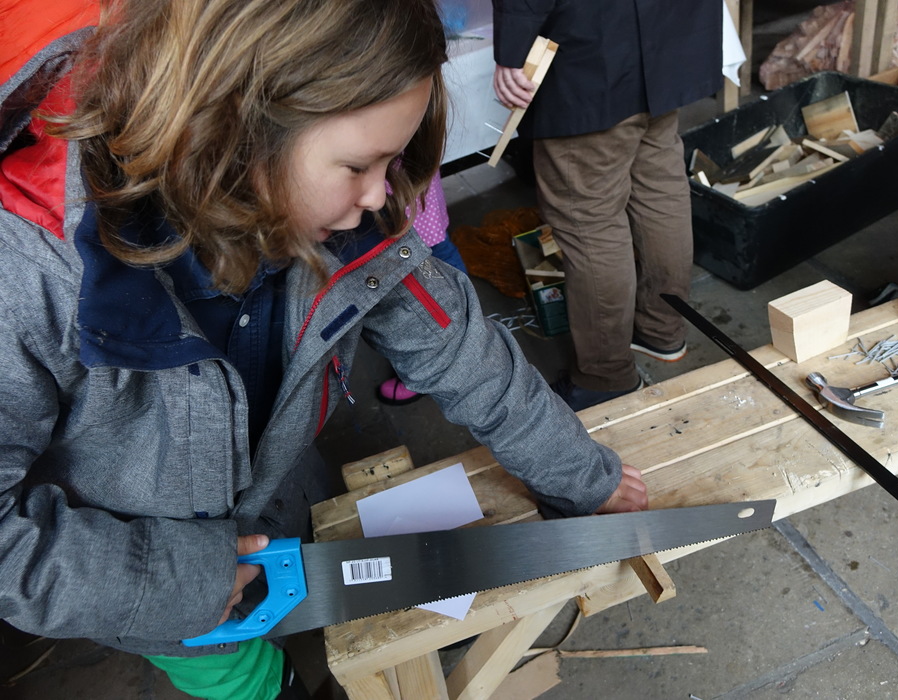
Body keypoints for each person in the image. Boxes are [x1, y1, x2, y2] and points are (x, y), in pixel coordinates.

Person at [0, 1, 648, 698]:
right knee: (249, 680)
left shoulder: (341, 218)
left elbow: (462, 352)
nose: (379, 196)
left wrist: (578, 474)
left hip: (272, 502)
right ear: (231, 130)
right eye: (358, 165)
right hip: (152, 588)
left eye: (391, 162)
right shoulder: (30, 278)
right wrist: (170, 582)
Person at [492, 0, 724, 411]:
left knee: (588, 216)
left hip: (594, 46)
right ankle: (662, 330)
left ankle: (606, 375)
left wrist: (513, 46)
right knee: (659, 183)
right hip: (669, 32)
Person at [376, 170, 467, 405]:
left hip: (400, 188)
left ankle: (431, 361)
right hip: (409, 181)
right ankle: (465, 331)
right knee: (436, 251)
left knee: (420, 266)